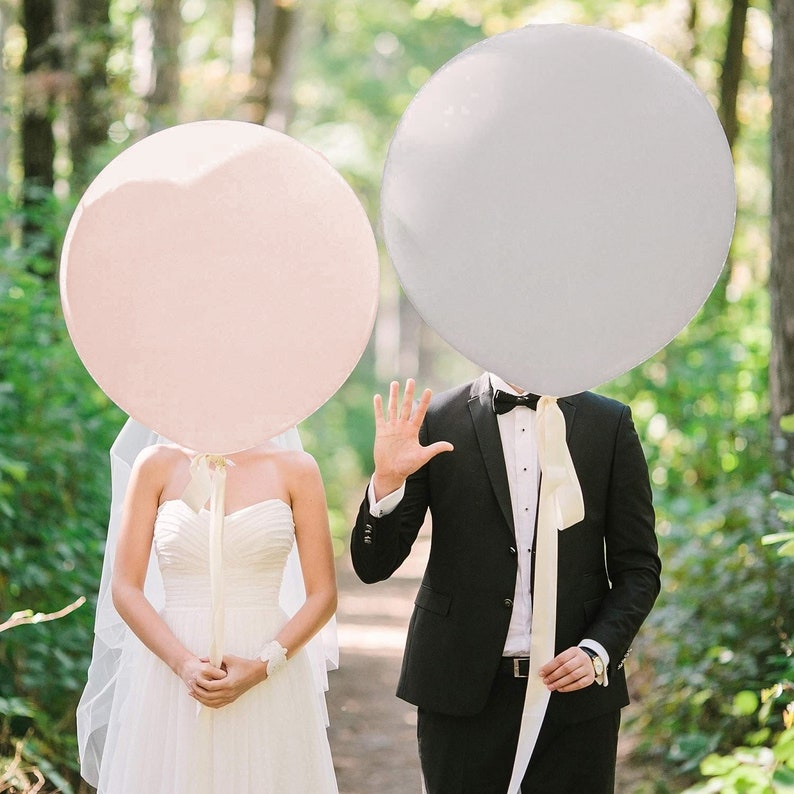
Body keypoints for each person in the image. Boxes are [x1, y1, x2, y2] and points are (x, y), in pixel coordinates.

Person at [351, 375, 661, 794]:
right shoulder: (436, 419)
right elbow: (374, 566)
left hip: (574, 696)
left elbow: (639, 569)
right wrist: (386, 481)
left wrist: (598, 650)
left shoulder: (608, 421)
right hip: (459, 690)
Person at [77, 421, 339, 793]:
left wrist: (263, 666)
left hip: (267, 664)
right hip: (172, 668)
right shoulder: (155, 465)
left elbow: (323, 594)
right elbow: (125, 587)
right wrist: (182, 663)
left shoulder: (296, 468)